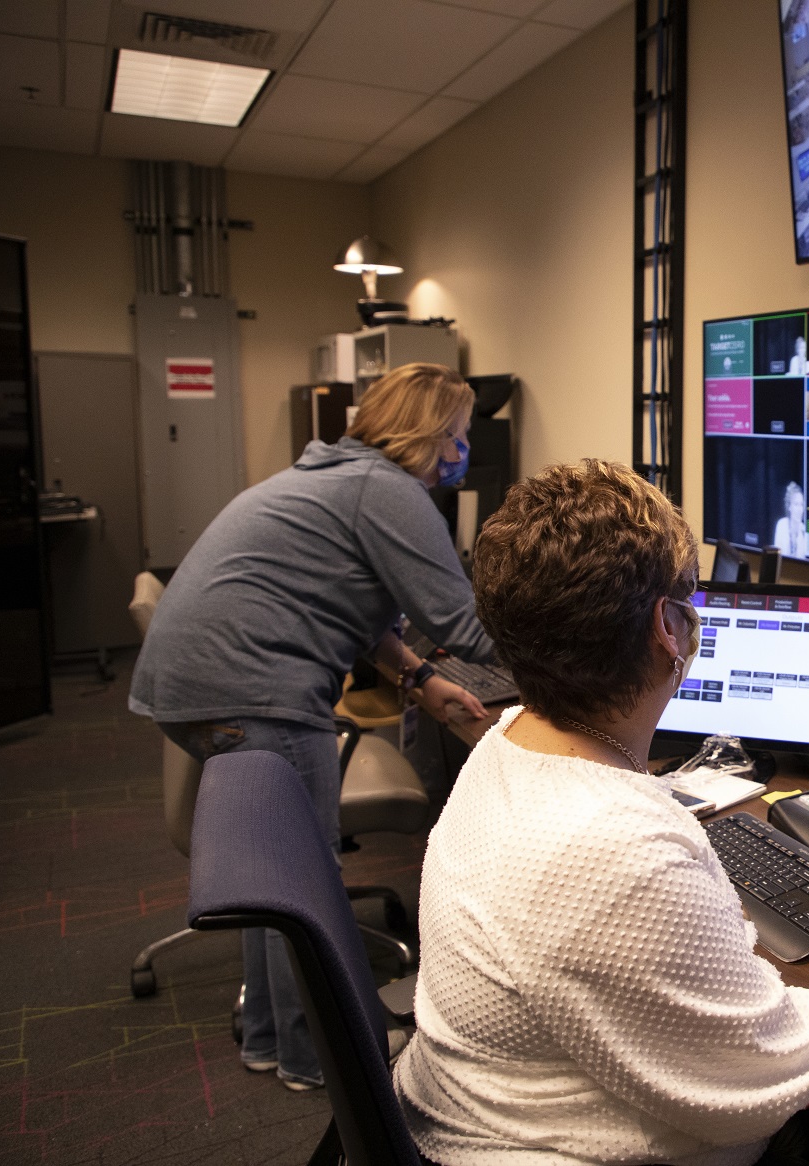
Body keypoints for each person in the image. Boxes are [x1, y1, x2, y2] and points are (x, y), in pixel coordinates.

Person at [395, 460, 809, 1164]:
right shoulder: (615, 848)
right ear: (670, 628)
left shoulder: (506, 741)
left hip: (467, 1109)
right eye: (692, 591)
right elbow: (778, 1072)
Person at [130, 363, 495, 1092]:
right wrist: (588, 659)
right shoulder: (387, 492)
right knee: (303, 882)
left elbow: (352, 606)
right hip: (254, 689)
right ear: (424, 433)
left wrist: (422, 685)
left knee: (278, 878)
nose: (462, 452)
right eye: (455, 435)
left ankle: (272, 1037)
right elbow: (462, 623)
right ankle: (313, 1057)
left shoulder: (338, 474)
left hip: (198, 685)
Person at [773, 480, 809, 557]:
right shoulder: (781, 525)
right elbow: (779, 555)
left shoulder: (804, 529)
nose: (799, 509)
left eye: (801, 504)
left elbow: (805, 556)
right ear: (789, 507)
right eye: (796, 504)